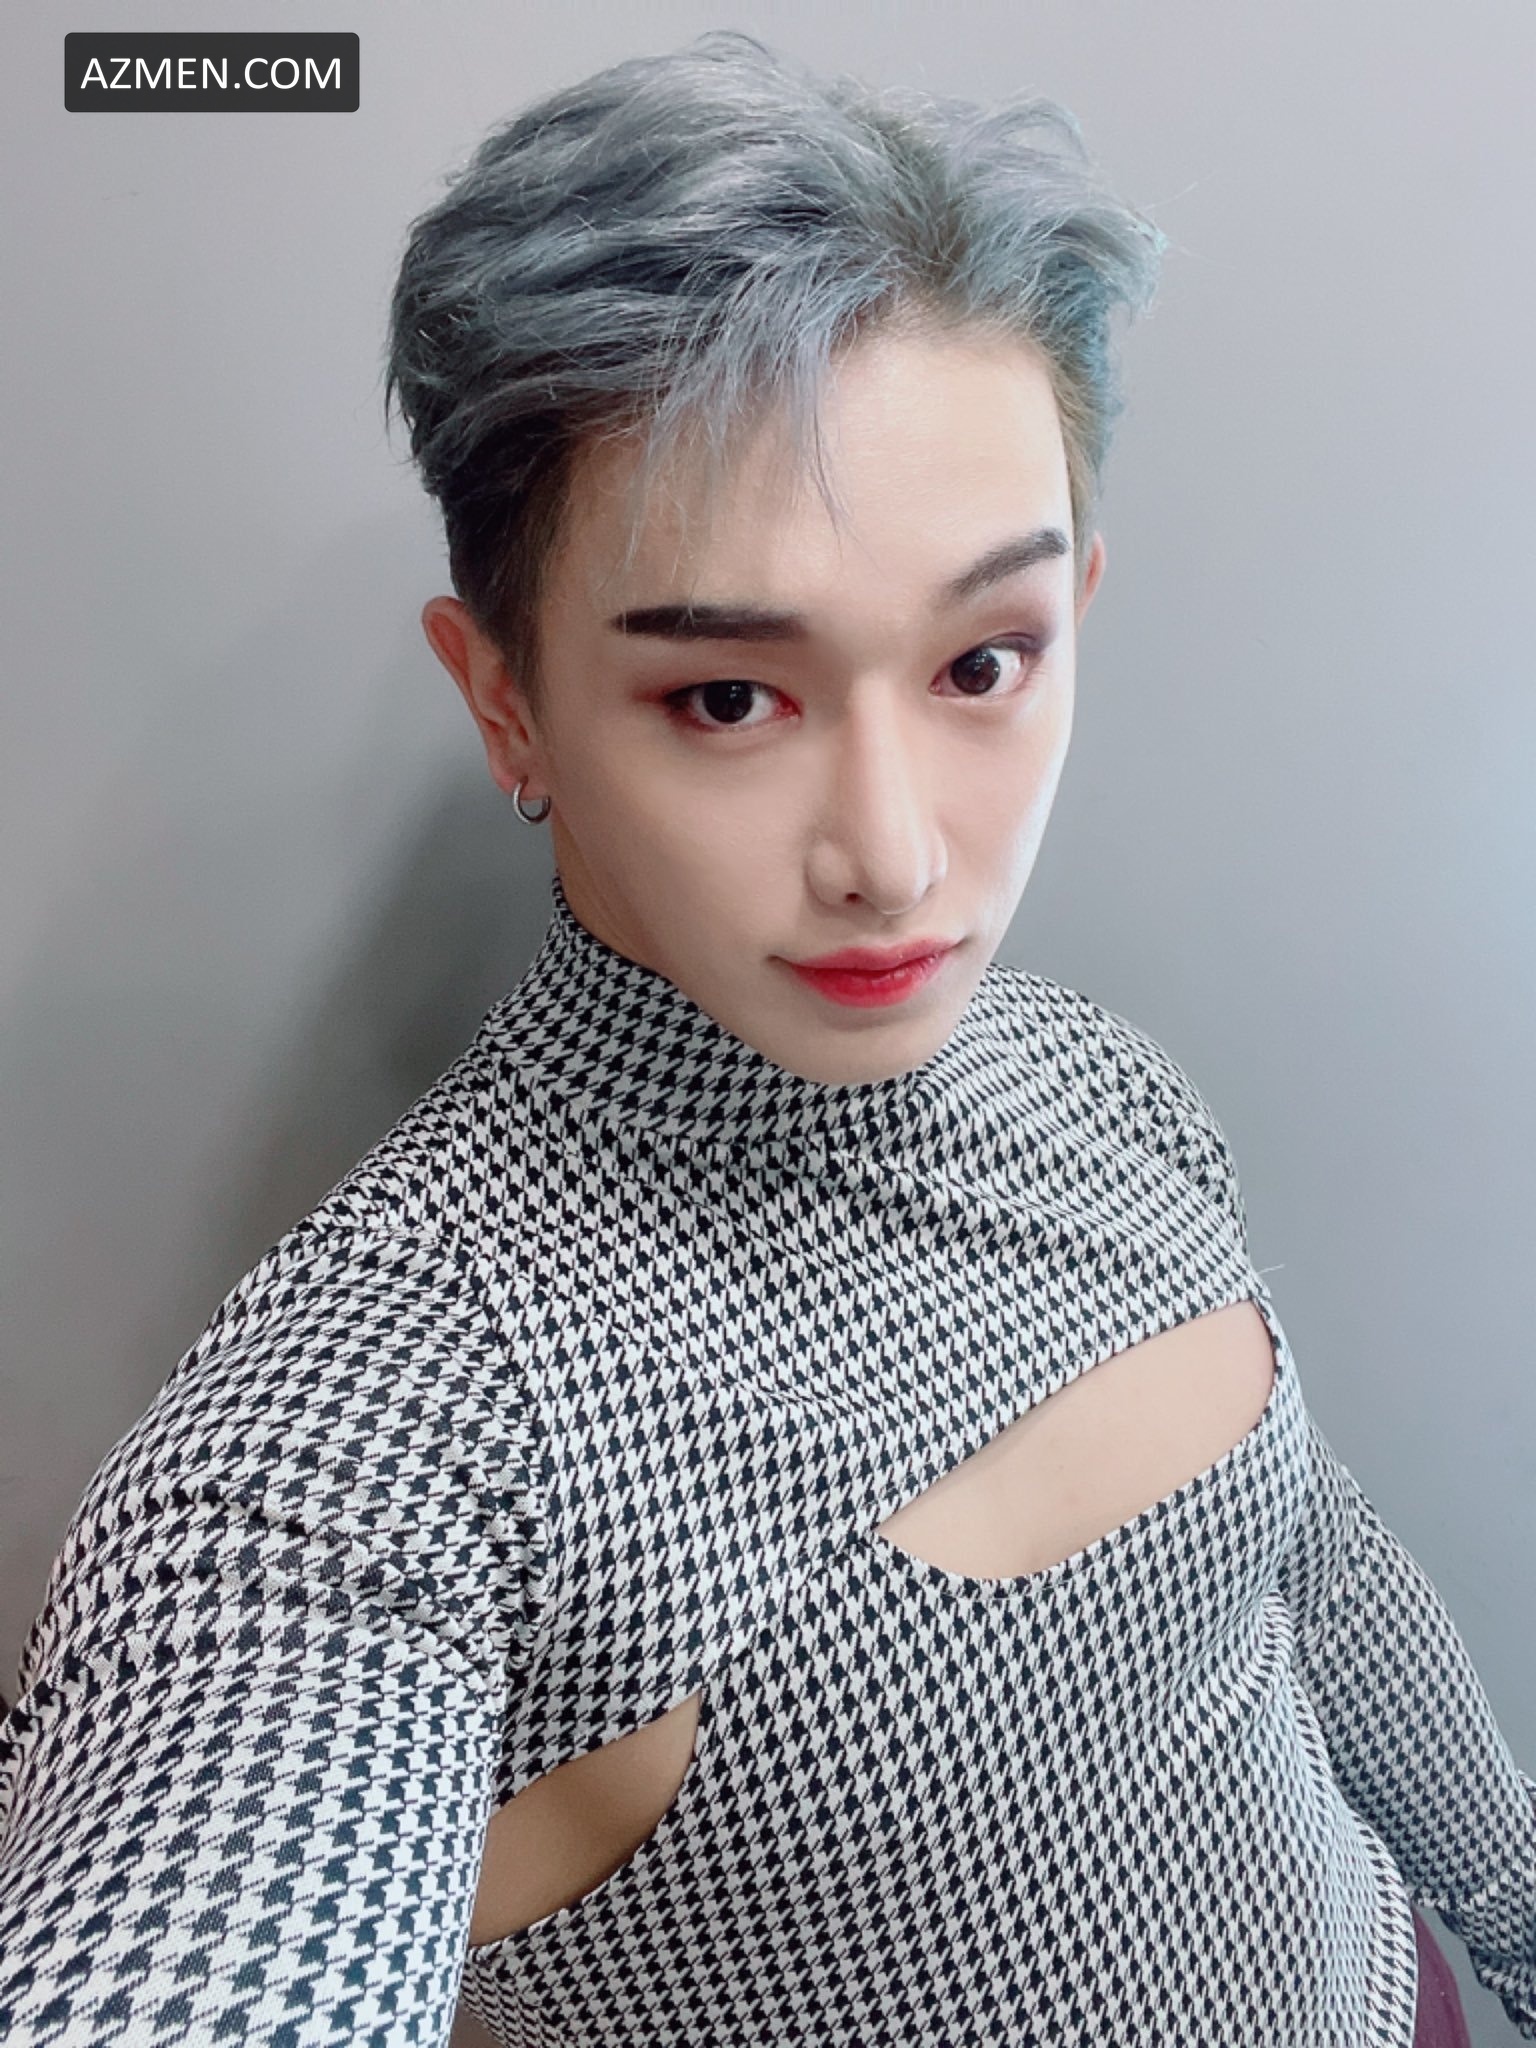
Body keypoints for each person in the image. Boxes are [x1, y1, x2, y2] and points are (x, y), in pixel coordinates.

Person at [0, 31, 1526, 2047]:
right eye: (728, 697)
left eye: (986, 661)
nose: (896, 858)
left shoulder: (1106, 1086)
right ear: (507, 702)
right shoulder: (400, 1423)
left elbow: (1308, 1564)